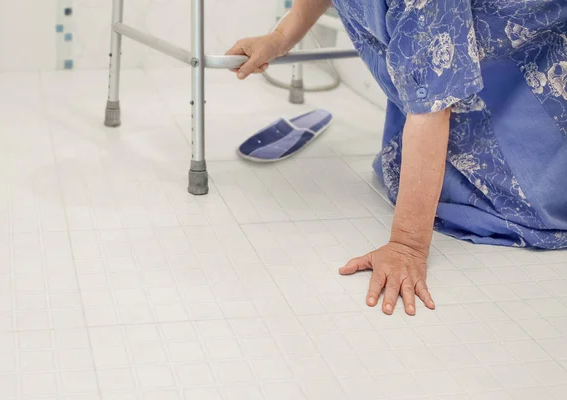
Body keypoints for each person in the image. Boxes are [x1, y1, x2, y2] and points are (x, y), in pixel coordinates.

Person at [226, 0, 567, 315]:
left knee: (514, 182)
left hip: (530, 85)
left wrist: (407, 244)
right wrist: (280, 37)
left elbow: (432, 106)